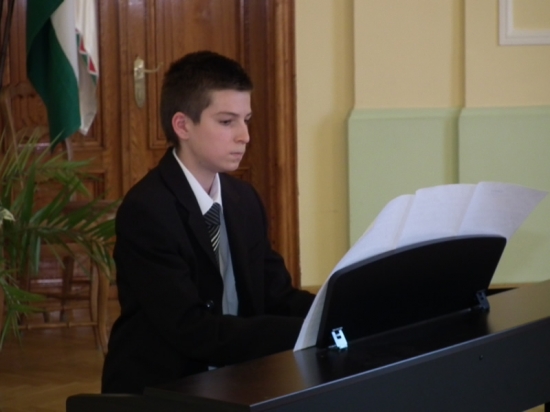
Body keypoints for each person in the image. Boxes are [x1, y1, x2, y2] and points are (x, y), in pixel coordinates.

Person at [101, 51, 315, 394]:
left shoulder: (244, 199)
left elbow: (277, 295)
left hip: (238, 378)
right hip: (165, 389)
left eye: (246, 120)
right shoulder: (147, 210)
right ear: (183, 125)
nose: (244, 136)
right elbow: (192, 330)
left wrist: (331, 312)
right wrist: (307, 332)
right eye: (227, 122)